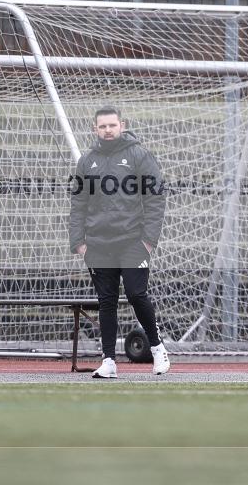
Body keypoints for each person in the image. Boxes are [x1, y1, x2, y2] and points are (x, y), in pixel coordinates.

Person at [69, 106, 169, 378]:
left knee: (137, 294)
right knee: (107, 302)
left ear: (121, 125)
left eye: (112, 125)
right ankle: (109, 361)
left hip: (133, 242)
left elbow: (156, 198)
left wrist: (148, 240)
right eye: (102, 126)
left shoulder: (138, 155)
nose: (108, 130)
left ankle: (158, 349)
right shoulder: (87, 160)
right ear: (95, 129)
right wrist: (79, 242)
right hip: (98, 244)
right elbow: (78, 203)